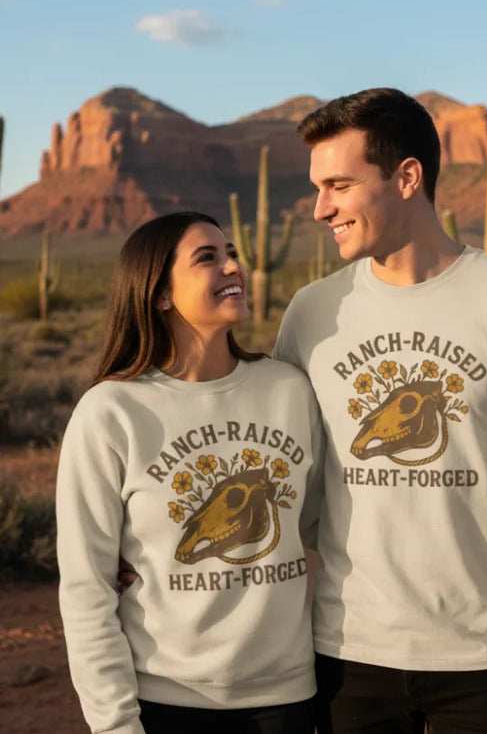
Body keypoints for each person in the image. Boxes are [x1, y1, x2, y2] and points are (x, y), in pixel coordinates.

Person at [273, 88, 487, 734]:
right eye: (317, 188)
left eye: (338, 186)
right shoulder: (311, 314)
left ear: (406, 177)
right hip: (346, 655)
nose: (320, 208)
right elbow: (273, 472)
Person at [56, 211, 323, 734]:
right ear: (159, 294)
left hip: (287, 696)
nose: (233, 267)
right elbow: (86, 588)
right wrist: (115, 724)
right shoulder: (112, 412)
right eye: (208, 258)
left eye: (233, 253)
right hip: (165, 700)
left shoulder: (288, 390)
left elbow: (321, 527)